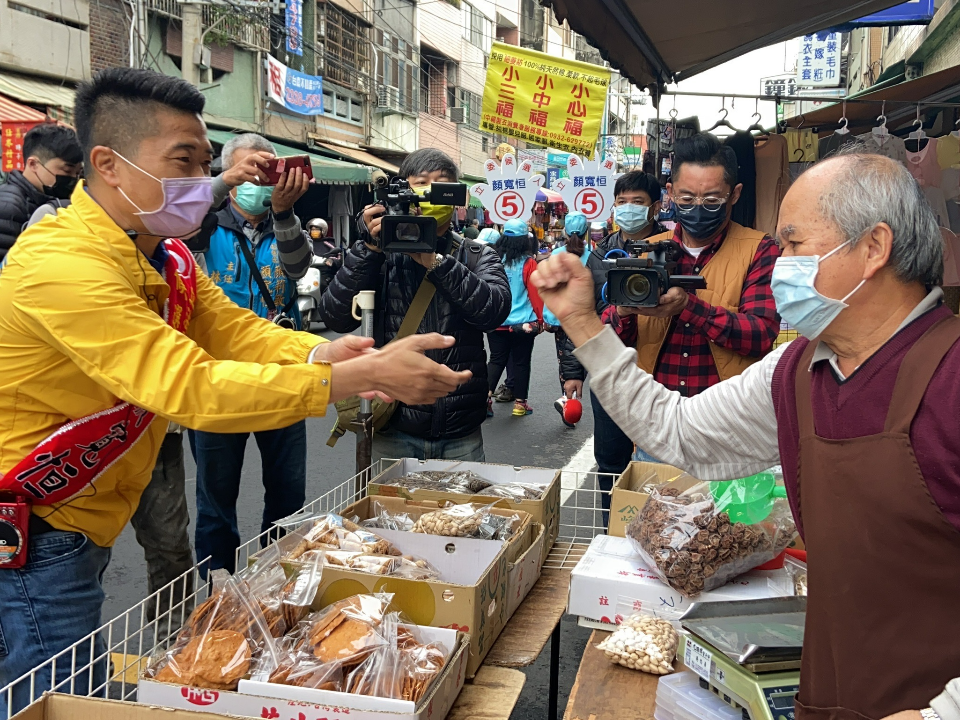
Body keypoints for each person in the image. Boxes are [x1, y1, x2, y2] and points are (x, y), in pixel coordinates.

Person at [0, 67, 469, 717]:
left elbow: (235, 332)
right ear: (107, 164)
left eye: (205, 162)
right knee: (57, 698)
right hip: (38, 522)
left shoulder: (163, 257)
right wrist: (354, 378)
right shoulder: (62, 265)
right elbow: (189, 384)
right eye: (183, 162)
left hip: (83, 514)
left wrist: (323, 351)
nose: (202, 182)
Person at [532, 151, 960, 720]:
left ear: (873, 248)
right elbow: (678, 429)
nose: (781, 263)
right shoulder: (799, 369)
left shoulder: (951, 377)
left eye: (794, 244)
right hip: (833, 688)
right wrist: (583, 323)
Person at [600, 133, 779, 470]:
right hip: (659, 428)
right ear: (670, 194)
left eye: (712, 199)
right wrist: (623, 310)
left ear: (735, 195)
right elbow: (608, 343)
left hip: (729, 429)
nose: (698, 207)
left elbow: (760, 334)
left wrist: (688, 306)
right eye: (686, 197)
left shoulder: (760, 248)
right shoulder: (646, 249)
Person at [321, 148, 510, 462]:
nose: (430, 194)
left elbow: (493, 312)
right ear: (402, 192)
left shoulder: (477, 255)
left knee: (462, 513)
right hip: (392, 424)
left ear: (454, 195)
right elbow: (335, 316)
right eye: (421, 184)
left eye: (440, 185)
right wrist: (368, 248)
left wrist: (436, 263)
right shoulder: (380, 256)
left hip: (460, 429)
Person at [189, 132, 315, 574]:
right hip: (217, 383)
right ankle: (217, 597)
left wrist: (284, 213)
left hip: (281, 377)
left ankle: (276, 586)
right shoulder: (202, 227)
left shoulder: (286, 224)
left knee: (287, 496)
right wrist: (222, 182)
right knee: (215, 504)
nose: (260, 180)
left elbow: (299, 268)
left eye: (268, 171)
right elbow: (172, 216)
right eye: (251, 170)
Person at [590, 172, 669, 481]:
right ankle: (612, 522)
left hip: (656, 367)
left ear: (655, 207)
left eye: (638, 202)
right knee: (610, 461)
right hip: (610, 370)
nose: (628, 208)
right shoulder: (599, 255)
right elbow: (585, 313)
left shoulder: (671, 248)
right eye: (622, 201)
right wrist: (572, 372)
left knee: (656, 461)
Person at [541, 211, 605, 428]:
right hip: (585, 317)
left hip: (560, 319)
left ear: (565, 231)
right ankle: (569, 402)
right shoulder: (594, 256)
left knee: (565, 362)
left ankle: (568, 401)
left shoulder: (555, 254)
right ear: (587, 232)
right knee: (586, 358)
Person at [486, 219, 544, 418]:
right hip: (523, 322)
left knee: (496, 360)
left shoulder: (491, 259)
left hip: (496, 319)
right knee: (521, 362)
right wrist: (540, 319)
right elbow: (535, 294)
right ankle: (520, 404)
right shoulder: (529, 263)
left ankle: (484, 401)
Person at [0, 124, 82, 258]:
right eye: (67, 171)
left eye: (78, 173)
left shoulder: (51, 199)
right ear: (33, 164)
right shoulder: (8, 207)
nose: (73, 178)